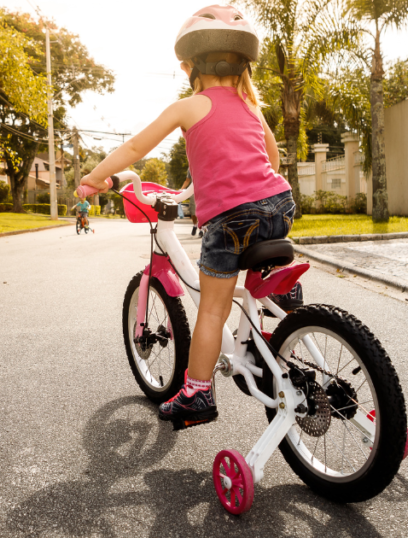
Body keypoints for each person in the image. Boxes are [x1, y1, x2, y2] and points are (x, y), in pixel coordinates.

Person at [79, 5, 294, 429]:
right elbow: (270, 157)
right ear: (242, 63)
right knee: (258, 261)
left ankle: (196, 392)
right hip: (279, 206)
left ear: (186, 65)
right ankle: (282, 308)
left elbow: (135, 150)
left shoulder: (188, 106)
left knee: (212, 310)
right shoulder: (252, 107)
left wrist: (93, 177)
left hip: (232, 219)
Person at [180, 169, 201, 238]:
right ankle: (195, 225)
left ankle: (202, 229)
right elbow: (187, 180)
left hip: (204, 189)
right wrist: (181, 189)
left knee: (203, 210)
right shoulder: (190, 168)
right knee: (193, 211)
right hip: (193, 191)